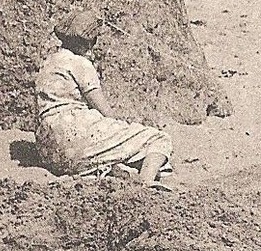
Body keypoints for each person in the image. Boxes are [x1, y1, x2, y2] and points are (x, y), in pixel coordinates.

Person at [33, 10, 174, 188]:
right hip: (75, 134)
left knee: (107, 150)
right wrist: (123, 127)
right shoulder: (80, 63)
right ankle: (146, 182)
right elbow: (103, 109)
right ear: (90, 41)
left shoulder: (48, 62)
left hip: (48, 149)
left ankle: (113, 170)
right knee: (157, 138)